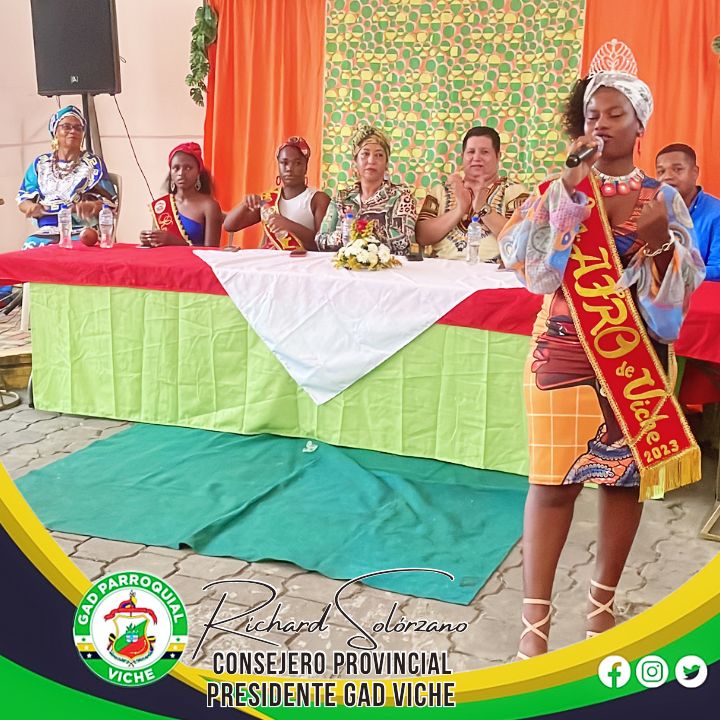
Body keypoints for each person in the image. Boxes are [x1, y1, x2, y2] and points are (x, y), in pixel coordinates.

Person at [498, 40, 705, 659]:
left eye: (616, 113)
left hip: (634, 359)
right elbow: (536, 274)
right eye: (593, 113)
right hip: (561, 354)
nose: (602, 123)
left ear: (640, 125)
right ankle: (534, 630)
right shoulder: (557, 189)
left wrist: (660, 245)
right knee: (551, 484)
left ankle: (601, 610)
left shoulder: (665, 200)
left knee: (622, 483)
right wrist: (567, 189)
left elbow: (672, 313)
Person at [416, 126, 528, 260]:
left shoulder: (515, 191)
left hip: (492, 269)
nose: (476, 157)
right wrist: (459, 209)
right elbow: (421, 237)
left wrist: (482, 208)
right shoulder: (441, 190)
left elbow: (521, 238)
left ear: (498, 156)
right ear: (462, 156)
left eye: (484, 152)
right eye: (471, 152)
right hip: (441, 268)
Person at [16, 105, 117, 248]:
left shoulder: (93, 164)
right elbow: (23, 200)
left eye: (78, 128)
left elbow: (110, 202)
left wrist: (93, 206)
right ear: (55, 132)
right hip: (47, 229)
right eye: (66, 126)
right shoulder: (40, 164)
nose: (73, 131)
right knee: (31, 247)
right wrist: (31, 207)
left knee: (79, 252)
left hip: (82, 230)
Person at [315, 124, 416, 255]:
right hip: (344, 266)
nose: (371, 160)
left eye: (379, 155)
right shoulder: (342, 198)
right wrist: (343, 233)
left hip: (388, 266)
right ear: (355, 161)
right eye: (365, 154)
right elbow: (320, 240)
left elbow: (404, 241)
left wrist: (357, 229)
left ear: (386, 163)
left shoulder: (401, 196)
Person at [223, 136, 330, 250]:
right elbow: (229, 226)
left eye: (297, 163)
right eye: (284, 163)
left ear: (306, 166)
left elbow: (323, 245)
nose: (289, 168)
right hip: (268, 259)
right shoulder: (268, 200)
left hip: (301, 260)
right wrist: (245, 205)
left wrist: (288, 225)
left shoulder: (318, 199)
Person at [655, 143, 720, 281]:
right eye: (661, 172)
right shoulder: (650, 212)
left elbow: (718, 270)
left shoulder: (716, 213)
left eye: (677, 169)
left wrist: (676, 272)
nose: (667, 177)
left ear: (695, 172)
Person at [141, 142, 222, 247]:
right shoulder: (162, 205)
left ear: (198, 172)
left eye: (188, 168)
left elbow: (211, 252)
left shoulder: (209, 206)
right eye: (176, 168)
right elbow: (157, 246)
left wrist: (175, 241)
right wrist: (149, 239)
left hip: (193, 258)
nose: (181, 173)